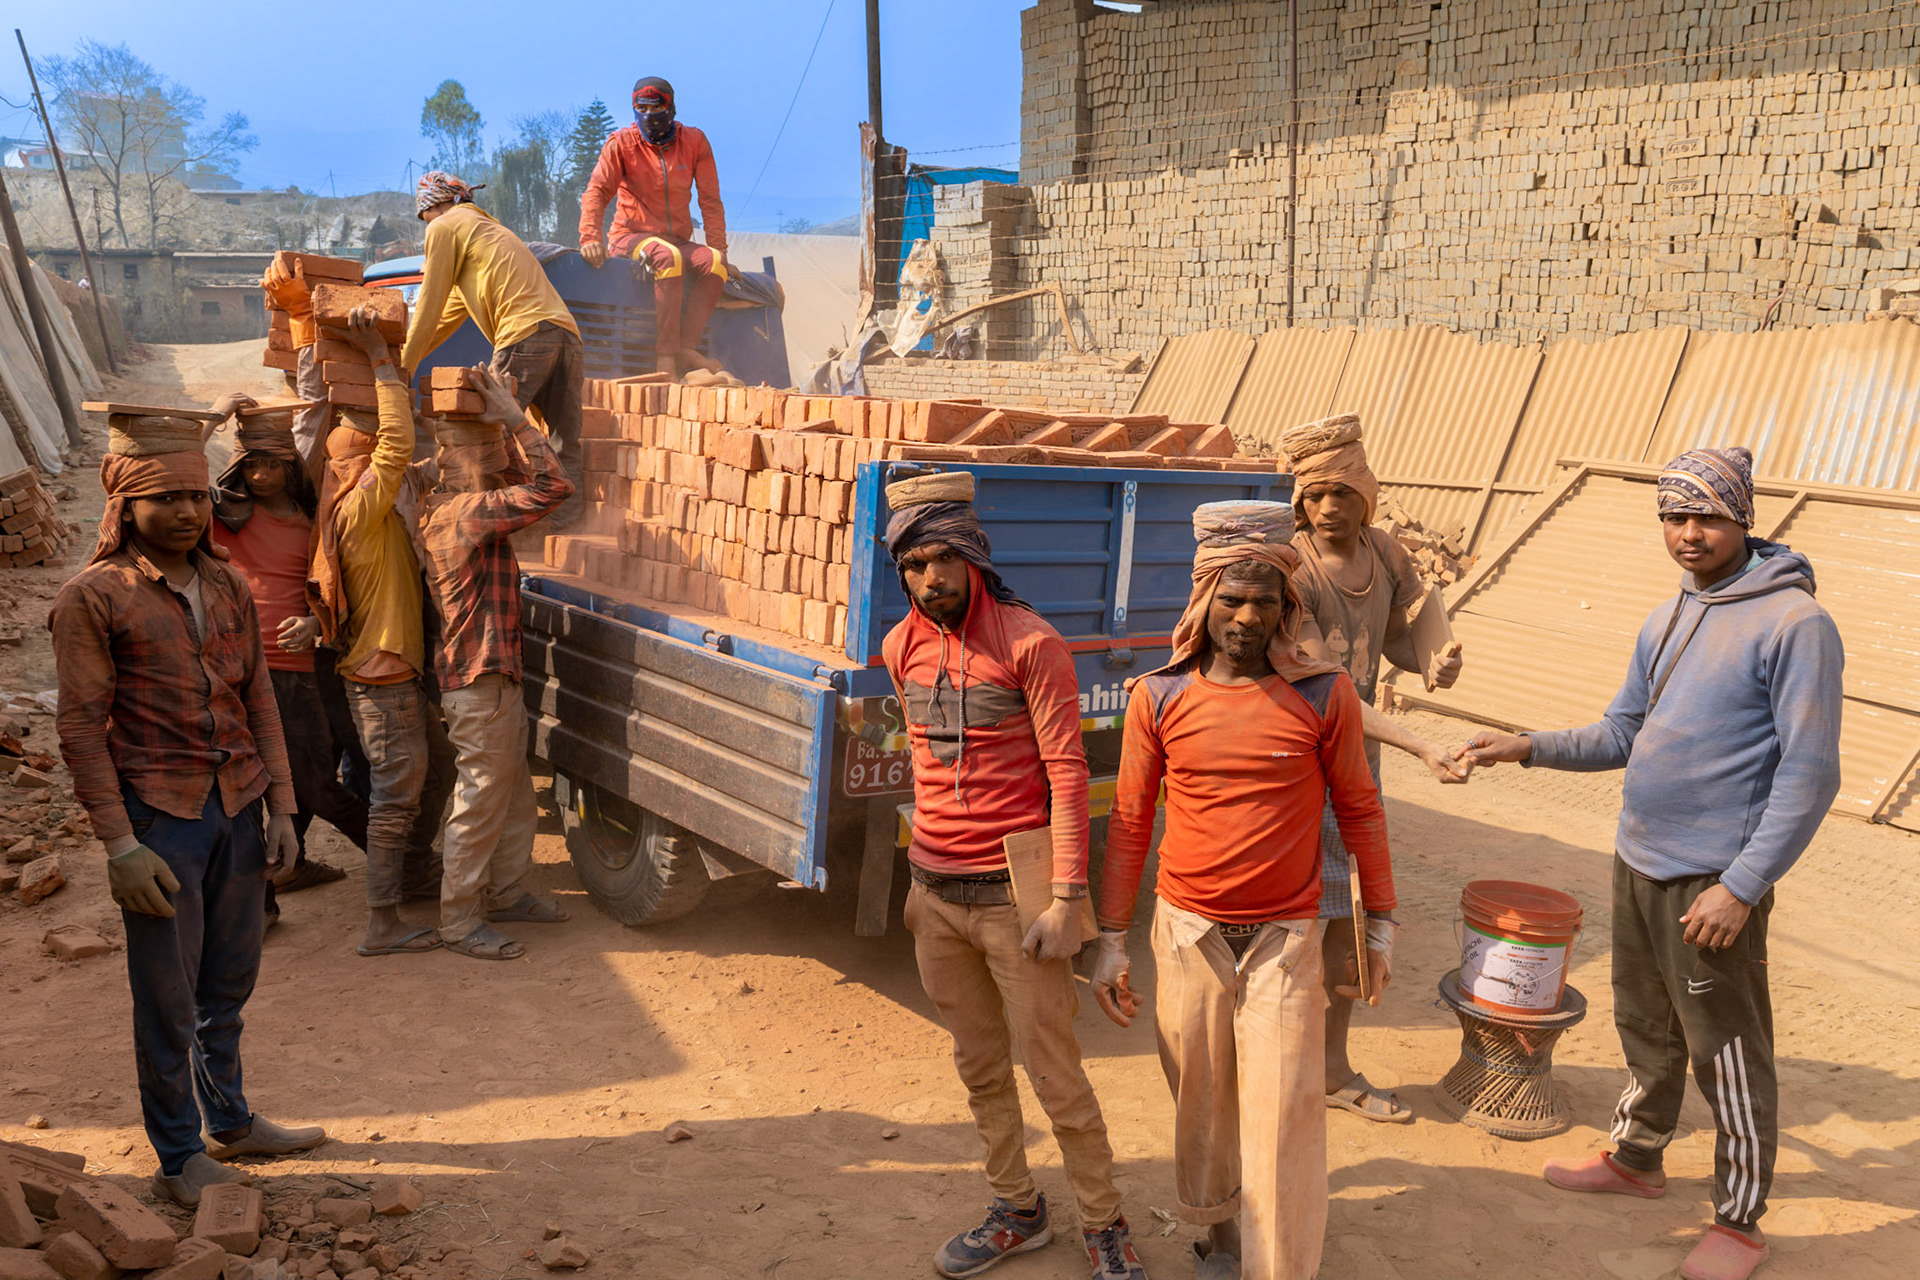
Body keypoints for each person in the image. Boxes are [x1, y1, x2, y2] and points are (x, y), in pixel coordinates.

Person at [1460, 446, 1843, 1280]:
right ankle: (1636, 1160)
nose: (1689, 534)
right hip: (1638, 862)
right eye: (1674, 517)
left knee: (1728, 1049)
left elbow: (1812, 775)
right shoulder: (1670, 614)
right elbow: (1622, 733)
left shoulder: (1795, 625)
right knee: (1646, 1027)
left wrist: (1741, 888)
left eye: (1707, 516)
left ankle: (1739, 1222)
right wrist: (1524, 747)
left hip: (1713, 882)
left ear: (1745, 518)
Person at [1092, 500, 1398, 1280]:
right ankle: (1221, 1241)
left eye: (1267, 599)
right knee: (1202, 1103)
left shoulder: (1324, 697)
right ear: (1204, 602)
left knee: (1286, 1113)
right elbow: (1130, 821)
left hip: (1285, 940)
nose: (1250, 615)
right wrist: (1109, 941)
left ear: (1288, 606)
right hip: (1188, 931)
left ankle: (1276, 1265)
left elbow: (1360, 808)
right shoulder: (1157, 698)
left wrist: (1381, 925)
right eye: (1234, 598)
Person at [50, 408, 327, 1207]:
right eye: (165, 497)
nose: (185, 512)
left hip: (238, 806)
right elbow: (79, 729)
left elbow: (259, 697)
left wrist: (280, 805)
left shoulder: (227, 584)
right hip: (162, 821)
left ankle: (232, 1122)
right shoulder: (93, 598)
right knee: (167, 996)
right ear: (125, 506)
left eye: (197, 496)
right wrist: (118, 845)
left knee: (227, 983)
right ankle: (178, 1156)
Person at [881, 471, 1146, 1280]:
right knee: (979, 1067)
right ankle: (1017, 1209)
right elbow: (927, 769)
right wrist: (920, 897)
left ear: (973, 556)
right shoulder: (900, 647)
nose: (931, 580)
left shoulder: (1032, 644)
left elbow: (1067, 776)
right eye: (915, 565)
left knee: (1055, 1072)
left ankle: (1105, 1226)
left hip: (1012, 905)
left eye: (943, 561)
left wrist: (1070, 901)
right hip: (934, 898)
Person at [1278, 412, 1466, 1125]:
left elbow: (1409, 629)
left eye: (1344, 494)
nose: (1329, 507)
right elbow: (1323, 686)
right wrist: (1419, 743)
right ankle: (1292, 1062)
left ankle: (1328, 1068)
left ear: (1369, 496)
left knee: (1348, 918)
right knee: (1300, 919)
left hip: (1358, 765)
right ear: (1300, 500)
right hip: (1301, 769)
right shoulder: (1289, 567)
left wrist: (1438, 658)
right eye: (1316, 494)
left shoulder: (1384, 555)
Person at [416, 367, 574, 960]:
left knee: (508, 795)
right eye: (488, 453)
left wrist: (503, 419)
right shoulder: (464, 513)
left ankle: (505, 891)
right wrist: (514, 416)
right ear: (456, 462)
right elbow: (553, 487)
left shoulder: (447, 501)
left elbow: (517, 476)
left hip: (492, 676)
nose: (499, 461)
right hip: (478, 682)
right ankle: (459, 922)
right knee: (481, 801)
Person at [314, 308, 457, 959]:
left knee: (439, 771)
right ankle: (381, 922)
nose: (386, 461)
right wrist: (379, 361)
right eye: (372, 453)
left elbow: (405, 453)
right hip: (383, 679)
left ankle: (413, 873)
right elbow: (397, 447)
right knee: (395, 799)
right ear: (356, 466)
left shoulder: (358, 507)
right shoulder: (359, 508)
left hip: (392, 674)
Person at [209, 401, 367, 895]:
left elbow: (332, 587)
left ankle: (284, 872)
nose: (259, 474)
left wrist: (313, 622)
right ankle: (401, 860)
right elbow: (168, 480)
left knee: (308, 773)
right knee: (299, 779)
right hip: (241, 667)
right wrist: (216, 416)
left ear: (290, 467)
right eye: (250, 463)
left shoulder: (309, 523)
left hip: (302, 667)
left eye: (272, 463)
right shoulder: (222, 516)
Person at [398, 170, 586, 529]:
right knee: (564, 438)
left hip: (523, 334)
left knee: (487, 435)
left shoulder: (445, 226)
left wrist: (400, 369)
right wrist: (397, 350)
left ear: (436, 205)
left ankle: (488, 527)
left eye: (427, 218)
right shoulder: (487, 232)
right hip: (566, 334)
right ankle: (565, 529)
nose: (428, 229)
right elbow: (445, 316)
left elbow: (427, 307)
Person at [579, 76, 732, 378]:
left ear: (671, 108)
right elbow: (596, 191)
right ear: (635, 109)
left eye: (656, 107)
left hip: (676, 238)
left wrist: (720, 248)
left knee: (716, 264)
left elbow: (711, 201)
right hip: (629, 236)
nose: (649, 115)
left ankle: (687, 346)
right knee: (667, 257)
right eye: (641, 108)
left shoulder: (695, 142)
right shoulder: (621, 143)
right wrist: (589, 237)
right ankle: (666, 357)